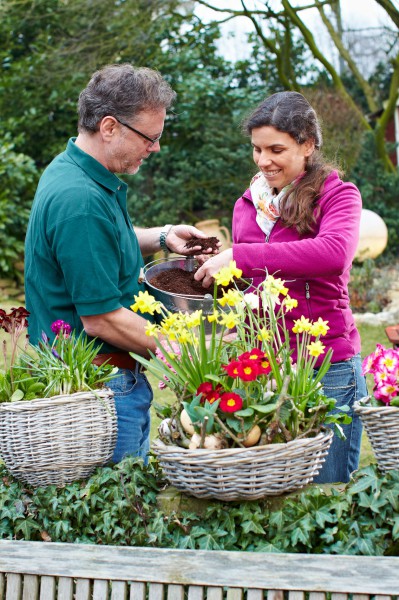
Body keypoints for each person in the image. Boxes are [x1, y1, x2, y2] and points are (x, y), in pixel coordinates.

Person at [24, 63, 218, 465]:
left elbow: (99, 244)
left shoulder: (76, 171)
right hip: (100, 387)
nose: (156, 148)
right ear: (109, 127)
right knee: (119, 512)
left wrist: (163, 237)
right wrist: (196, 351)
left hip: (105, 382)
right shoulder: (79, 201)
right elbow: (102, 318)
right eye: (150, 137)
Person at [194, 91, 368, 484]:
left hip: (327, 368)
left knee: (328, 492)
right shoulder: (248, 204)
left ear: (307, 145)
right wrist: (213, 276)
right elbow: (248, 279)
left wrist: (241, 256)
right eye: (256, 149)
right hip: (263, 369)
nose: (263, 160)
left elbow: (332, 254)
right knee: (276, 497)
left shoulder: (337, 195)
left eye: (276, 149)